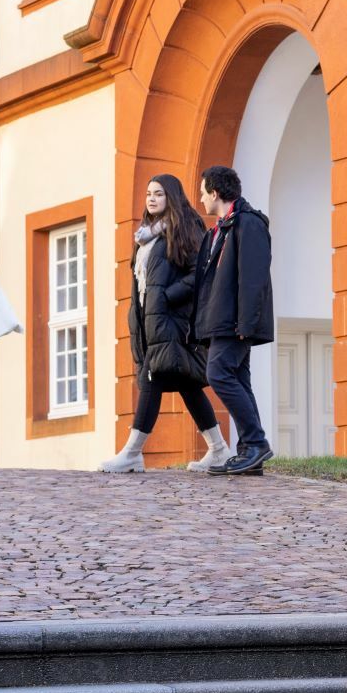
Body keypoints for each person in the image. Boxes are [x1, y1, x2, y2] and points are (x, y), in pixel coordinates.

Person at [100, 175, 232, 474]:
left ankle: (132, 452)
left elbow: (200, 273)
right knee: (187, 385)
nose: (151, 199)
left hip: (173, 321)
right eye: (148, 193)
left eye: (158, 193)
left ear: (171, 196)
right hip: (151, 323)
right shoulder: (146, 237)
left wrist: (169, 296)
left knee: (152, 378)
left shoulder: (184, 227)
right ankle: (219, 450)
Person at [193, 165, 274, 477]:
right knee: (238, 379)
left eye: (203, 193)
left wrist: (246, 323)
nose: (201, 199)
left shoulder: (247, 224)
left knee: (218, 373)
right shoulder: (219, 230)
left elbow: (253, 278)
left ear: (215, 193)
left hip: (235, 322)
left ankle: (256, 442)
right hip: (223, 320)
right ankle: (249, 452)